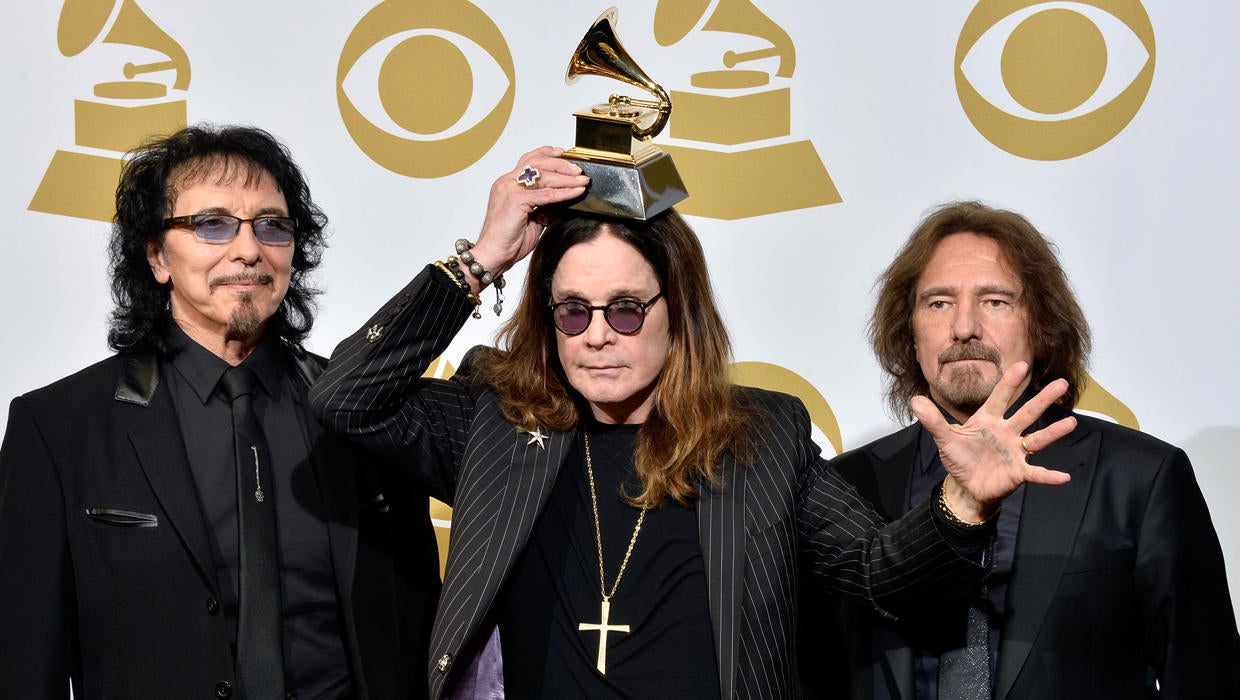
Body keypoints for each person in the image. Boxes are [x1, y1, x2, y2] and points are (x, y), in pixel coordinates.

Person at [309, 148, 1078, 699]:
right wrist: (483, 257)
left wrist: (964, 505)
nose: (598, 334)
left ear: (679, 316)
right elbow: (346, 395)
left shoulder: (761, 437)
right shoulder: (498, 422)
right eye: (573, 311)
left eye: (626, 309)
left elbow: (880, 575)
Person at [0, 124, 440, 698]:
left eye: (272, 226)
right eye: (213, 225)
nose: (249, 249)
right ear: (157, 255)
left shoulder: (361, 414)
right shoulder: (59, 427)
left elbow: (417, 635)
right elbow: (23, 665)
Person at [802, 200, 1240, 699]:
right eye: (938, 303)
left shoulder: (1140, 477)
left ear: (1041, 322)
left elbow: (1208, 679)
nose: (964, 327)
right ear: (910, 331)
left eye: (995, 301)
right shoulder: (849, 487)